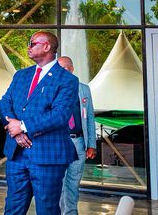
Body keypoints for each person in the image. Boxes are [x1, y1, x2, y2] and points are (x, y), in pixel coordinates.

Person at [0, 31, 78, 215]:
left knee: (46, 210)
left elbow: (60, 114)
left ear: (47, 46)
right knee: (12, 208)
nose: (28, 47)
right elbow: (5, 103)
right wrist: (16, 131)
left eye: (32, 43)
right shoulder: (21, 75)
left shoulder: (67, 80)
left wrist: (23, 126)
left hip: (47, 155)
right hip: (17, 154)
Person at [58, 56, 97, 215]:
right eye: (60, 68)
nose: (64, 70)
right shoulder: (52, 89)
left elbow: (90, 117)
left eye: (67, 67)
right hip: (59, 142)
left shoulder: (84, 89)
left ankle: (71, 212)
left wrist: (92, 144)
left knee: (73, 183)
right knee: (59, 182)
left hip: (78, 142)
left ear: (72, 69)